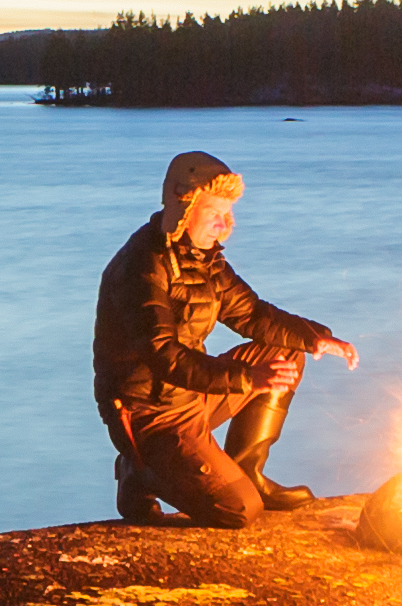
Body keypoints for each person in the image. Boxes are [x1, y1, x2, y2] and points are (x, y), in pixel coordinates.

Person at [93, 149, 356, 526]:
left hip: (189, 395)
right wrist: (248, 378)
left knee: (285, 352)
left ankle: (248, 469)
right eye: (214, 213)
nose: (224, 223)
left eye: (228, 214)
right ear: (183, 208)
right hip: (148, 414)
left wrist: (315, 338)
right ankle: (141, 471)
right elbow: (163, 354)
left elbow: (251, 313)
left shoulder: (204, 259)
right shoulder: (141, 268)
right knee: (239, 510)